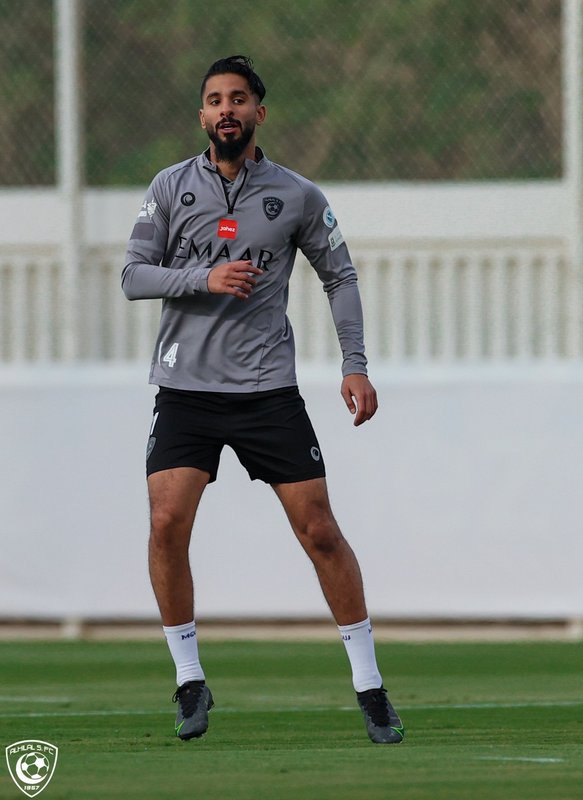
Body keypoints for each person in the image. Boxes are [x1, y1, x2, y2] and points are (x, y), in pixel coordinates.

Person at [121, 55, 403, 745]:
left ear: (259, 113)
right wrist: (204, 279)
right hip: (185, 389)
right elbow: (133, 276)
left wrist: (355, 366)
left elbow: (339, 276)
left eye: (239, 99)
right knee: (165, 524)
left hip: (266, 390)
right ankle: (189, 679)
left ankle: (370, 688)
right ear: (201, 115)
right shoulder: (169, 187)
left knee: (320, 532)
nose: (226, 109)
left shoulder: (298, 196)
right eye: (215, 99)